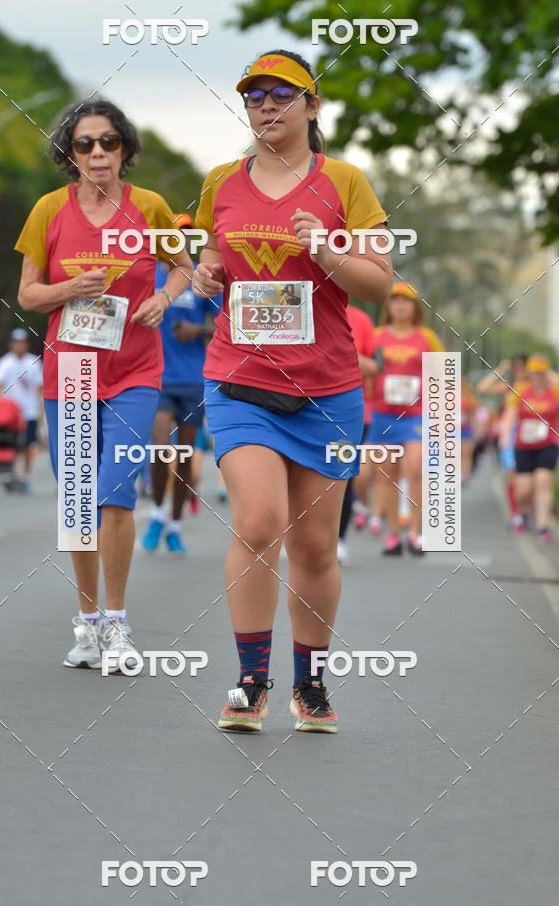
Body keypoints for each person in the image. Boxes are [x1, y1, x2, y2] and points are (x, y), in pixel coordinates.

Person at [193, 49, 391, 733]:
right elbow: (212, 255)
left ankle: (312, 683)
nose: (266, 108)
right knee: (255, 521)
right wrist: (205, 277)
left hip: (327, 391)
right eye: (254, 98)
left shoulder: (345, 182)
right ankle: (251, 680)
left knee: (312, 547)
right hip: (241, 380)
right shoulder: (221, 181)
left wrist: (330, 251)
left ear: (311, 104)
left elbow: (380, 282)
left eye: (281, 95)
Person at [15, 99, 193, 670]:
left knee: (115, 492)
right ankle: (87, 623)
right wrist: (72, 289)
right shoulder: (49, 210)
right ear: (71, 152)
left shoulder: (151, 208)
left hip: (135, 372)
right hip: (69, 373)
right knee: (77, 503)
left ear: (125, 150)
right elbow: (28, 294)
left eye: (109, 142)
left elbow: (185, 265)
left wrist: (164, 298)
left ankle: (117, 623)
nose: (98, 153)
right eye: (86, 143)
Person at [142, 214, 219, 555]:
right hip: (157, 377)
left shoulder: (199, 276)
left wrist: (198, 330)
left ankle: (174, 524)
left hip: (193, 380)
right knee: (160, 447)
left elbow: (225, 324)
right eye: (175, 234)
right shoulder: (151, 274)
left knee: (186, 458)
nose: (181, 239)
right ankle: (157, 513)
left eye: (187, 235)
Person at [370, 282, 444, 555]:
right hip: (382, 414)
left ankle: (415, 533)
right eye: (395, 300)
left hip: (415, 415)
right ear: (388, 306)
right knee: (386, 476)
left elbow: (441, 375)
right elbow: (364, 369)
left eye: (406, 301)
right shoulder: (376, 336)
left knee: (415, 469)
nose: (400, 305)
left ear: (416, 307)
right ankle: (393, 535)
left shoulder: (427, 338)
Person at [499, 355, 559, 542]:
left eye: (542, 373)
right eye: (535, 373)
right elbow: (510, 415)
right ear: (529, 374)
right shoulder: (521, 390)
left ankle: (542, 526)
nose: (538, 377)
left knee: (543, 481)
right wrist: (505, 438)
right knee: (522, 489)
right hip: (523, 445)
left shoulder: (555, 390)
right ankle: (524, 512)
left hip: (548, 443)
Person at [337, 304, 379, 565]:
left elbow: (374, 368)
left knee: (342, 477)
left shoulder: (361, 320)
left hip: (351, 412)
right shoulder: (297, 302)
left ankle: (339, 539)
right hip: (302, 409)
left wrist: (340, 350)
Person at [478, 355, 528, 530]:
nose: (520, 370)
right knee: (513, 475)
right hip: (512, 435)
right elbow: (483, 387)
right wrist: (501, 369)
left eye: (523, 367)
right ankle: (516, 514)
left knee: (531, 479)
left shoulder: (537, 387)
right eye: (516, 367)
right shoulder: (510, 387)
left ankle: (525, 511)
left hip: (533, 436)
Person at [0, 327, 43, 491]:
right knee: (11, 445)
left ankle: (25, 476)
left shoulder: (34, 362)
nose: (19, 346)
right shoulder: (4, 362)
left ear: (26, 344)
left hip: (29, 412)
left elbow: (39, 388)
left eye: (22, 342)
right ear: (11, 345)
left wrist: (41, 410)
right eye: (16, 342)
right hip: (10, 415)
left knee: (28, 446)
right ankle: (10, 475)